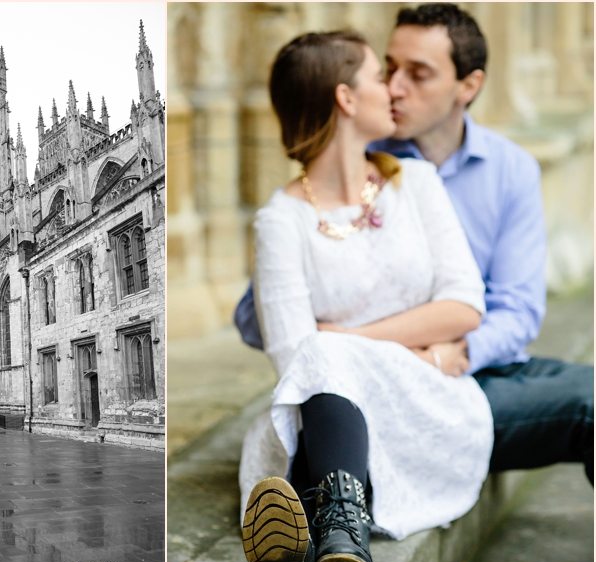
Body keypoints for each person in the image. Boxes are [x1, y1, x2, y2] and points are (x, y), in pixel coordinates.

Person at [234, 3, 593, 485]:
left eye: (418, 74)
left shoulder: (507, 171)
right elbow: (265, 322)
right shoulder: (356, 164)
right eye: (389, 70)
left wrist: (439, 356)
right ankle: (329, 502)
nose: (396, 87)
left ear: (469, 86)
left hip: (472, 366)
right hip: (360, 388)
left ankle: (316, 486)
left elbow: (512, 310)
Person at [239, 29, 494, 562]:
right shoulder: (280, 221)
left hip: (426, 397)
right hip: (332, 405)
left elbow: (464, 307)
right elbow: (291, 359)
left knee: (326, 354)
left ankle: (310, 538)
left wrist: (346, 339)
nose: (395, 89)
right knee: (319, 367)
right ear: (347, 99)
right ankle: (335, 537)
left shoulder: (417, 184)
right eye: (382, 77)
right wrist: (412, 341)